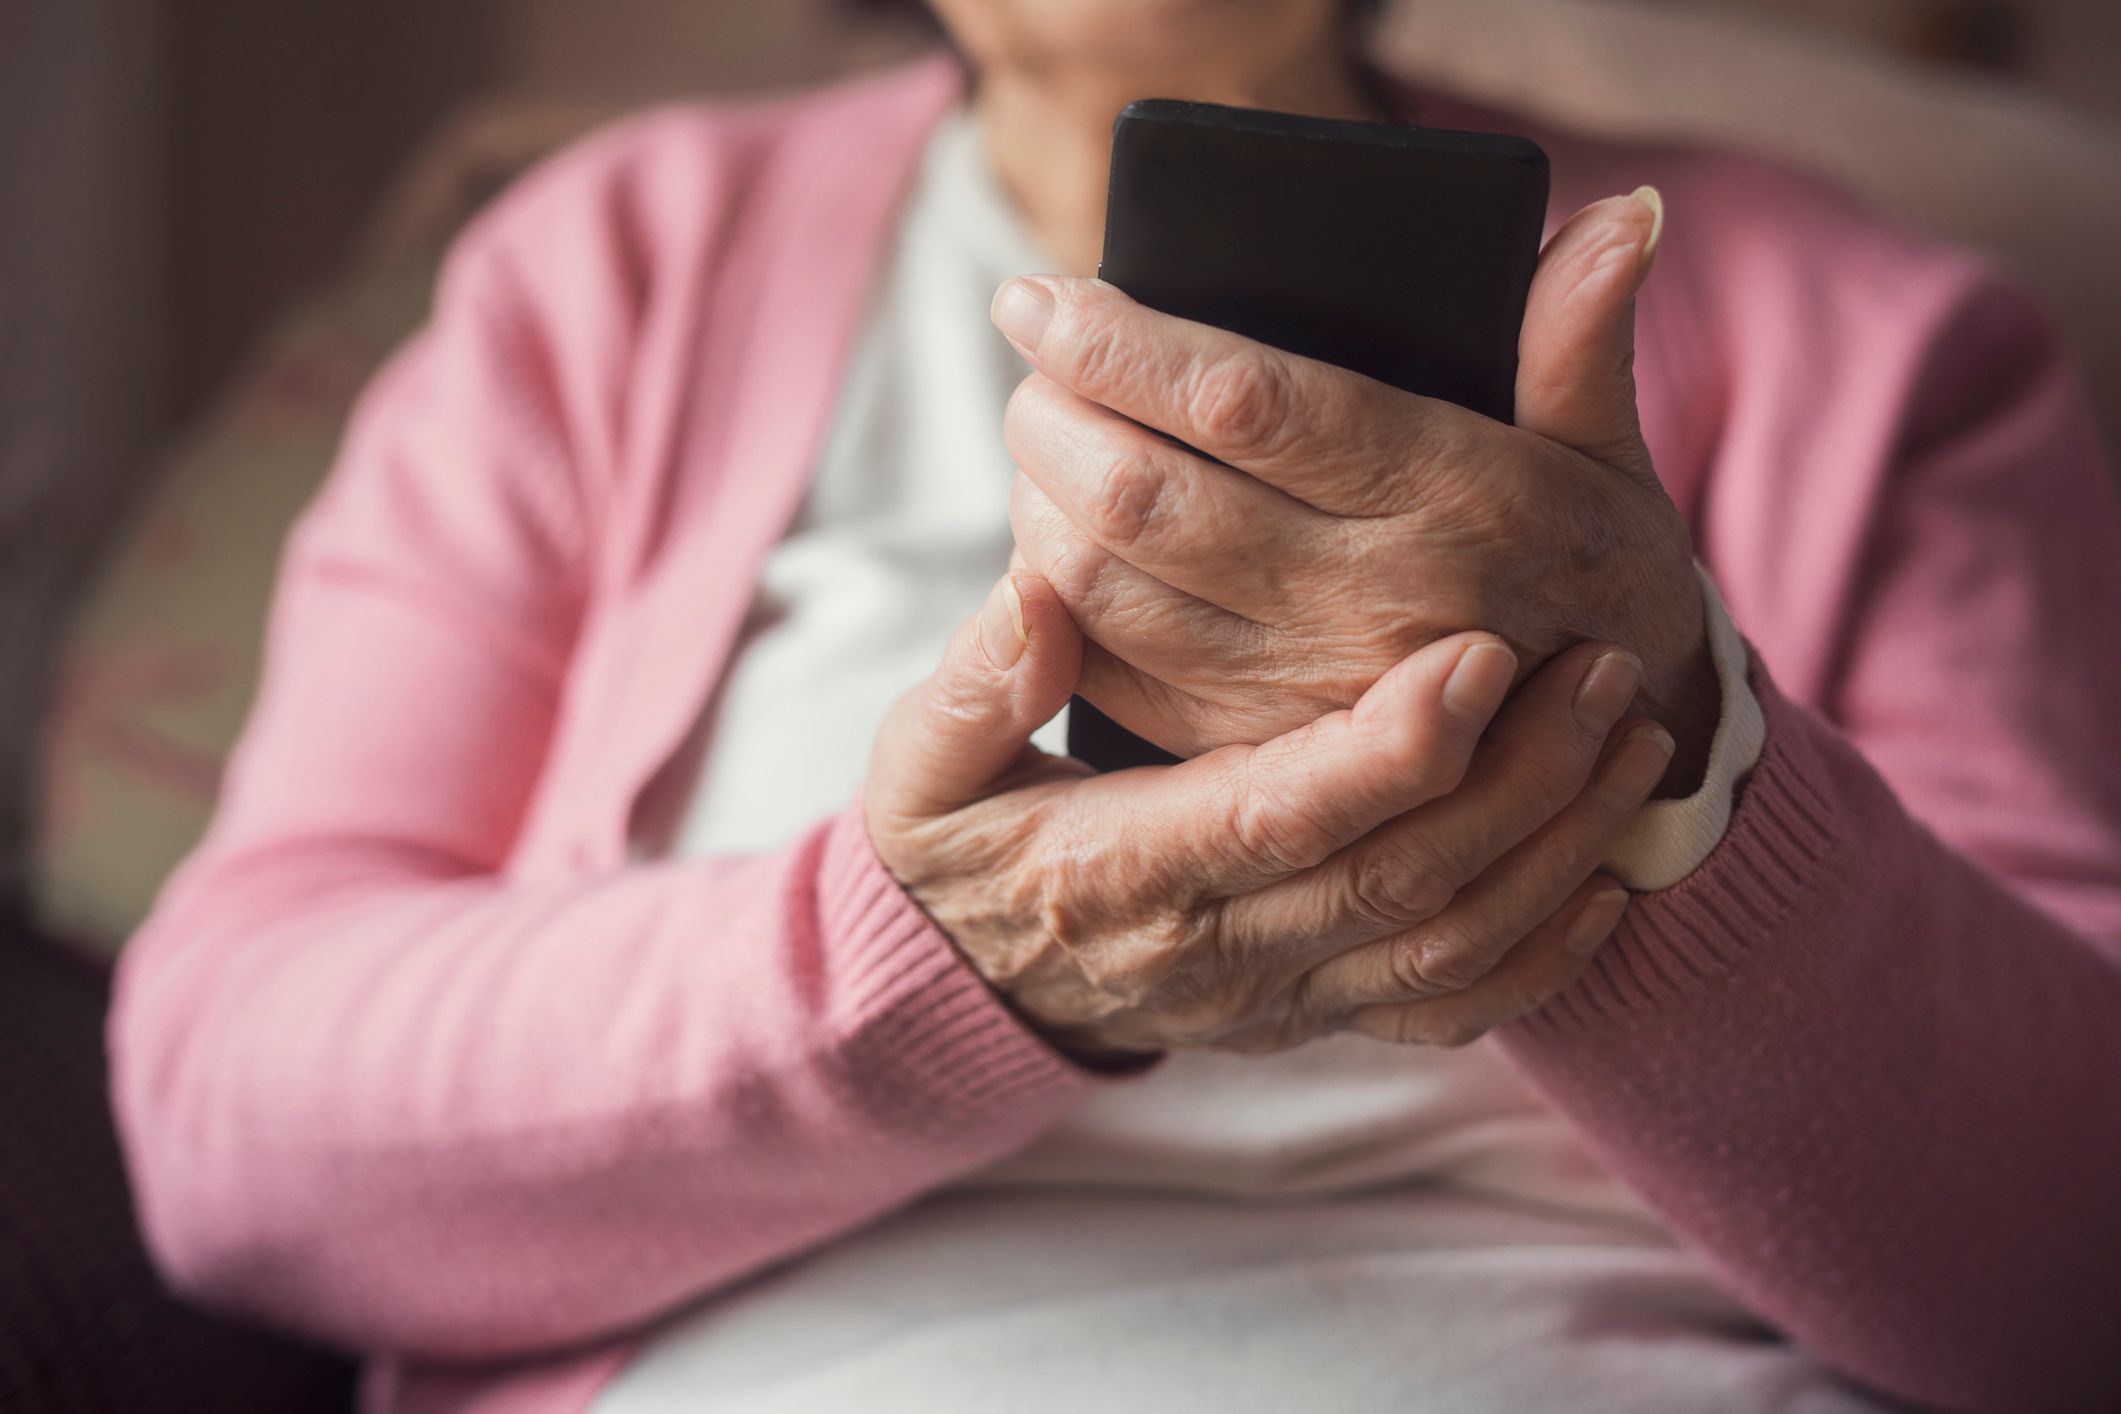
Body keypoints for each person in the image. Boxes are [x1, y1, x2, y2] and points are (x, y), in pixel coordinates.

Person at [110, 1, 2121, 1410]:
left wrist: (1649, 775)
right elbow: (226, 1125)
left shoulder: (1876, 335)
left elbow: (2066, 1276)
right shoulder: (603, 272)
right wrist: (963, 967)